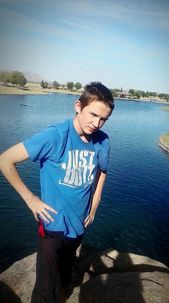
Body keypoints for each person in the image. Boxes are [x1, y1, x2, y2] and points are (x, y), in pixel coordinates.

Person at [0, 82, 114, 303]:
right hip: (52, 225)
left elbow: (103, 171)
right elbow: (5, 160)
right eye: (93, 114)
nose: (96, 123)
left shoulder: (102, 141)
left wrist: (96, 201)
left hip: (79, 224)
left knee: (65, 273)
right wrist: (30, 199)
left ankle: (63, 291)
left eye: (103, 119)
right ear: (78, 106)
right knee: (45, 290)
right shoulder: (55, 136)